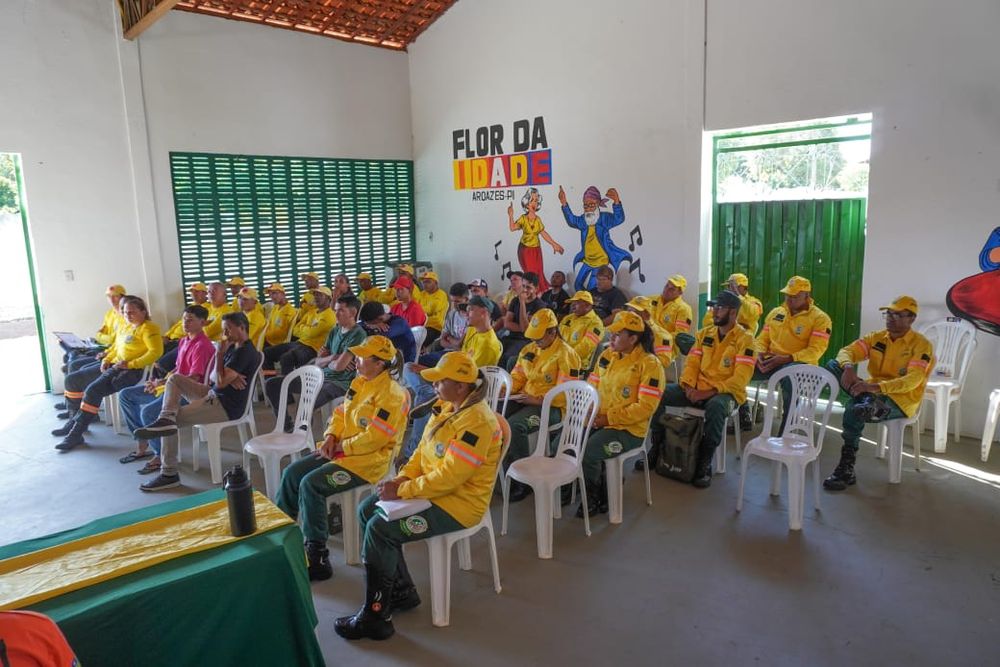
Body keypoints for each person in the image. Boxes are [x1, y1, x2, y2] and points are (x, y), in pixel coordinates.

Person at [334, 352, 501, 641]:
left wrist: (402, 490)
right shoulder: (447, 406)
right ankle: (400, 591)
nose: (434, 385)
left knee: (381, 528)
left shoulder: (477, 423)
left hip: (458, 505)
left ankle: (376, 616)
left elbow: (451, 477)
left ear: (461, 386)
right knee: (366, 510)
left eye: (440, 381)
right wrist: (402, 478)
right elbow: (421, 455)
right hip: (430, 492)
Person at [276, 336, 409, 581]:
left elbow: (376, 438)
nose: (355, 361)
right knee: (292, 474)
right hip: (341, 450)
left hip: (367, 462)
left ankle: (317, 556)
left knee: (311, 485)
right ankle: (280, 537)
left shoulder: (392, 394)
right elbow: (340, 412)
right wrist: (330, 436)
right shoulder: (360, 382)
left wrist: (341, 446)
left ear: (379, 364)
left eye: (361, 357)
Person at [136, 311, 261, 491]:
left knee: (173, 423)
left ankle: (169, 473)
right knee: (175, 379)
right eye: (223, 330)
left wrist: (219, 357)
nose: (224, 334)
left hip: (224, 406)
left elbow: (219, 380)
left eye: (228, 329)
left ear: (242, 328)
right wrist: (227, 375)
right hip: (212, 393)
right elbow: (213, 378)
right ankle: (166, 416)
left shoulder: (245, 352)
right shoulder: (233, 348)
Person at [823, 296, 935, 491]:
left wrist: (876, 388)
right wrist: (849, 367)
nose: (891, 318)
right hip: (871, 391)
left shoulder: (921, 345)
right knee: (833, 365)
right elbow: (846, 351)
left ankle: (846, 467)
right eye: (889, 314)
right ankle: (865, 400)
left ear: (912, 319)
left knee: (855, 409)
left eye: (898, 315)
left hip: (899, 399)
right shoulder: (877, 337)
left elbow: (913, 380)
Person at [650, 290, 755, 487]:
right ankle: (656, 447)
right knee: (659, 393)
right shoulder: (704, 333)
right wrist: (688, 385)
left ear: (733, 313)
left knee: (715, 408)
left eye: (720, 307)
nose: (714, 311)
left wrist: (710, 391)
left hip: (725, 393)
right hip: (697, 387)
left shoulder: (745, 340)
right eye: (714, 307)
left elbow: (740, 378)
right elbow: (691, 363)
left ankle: (704, 462)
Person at [53, 295, 164, 451]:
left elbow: (155, 352)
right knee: (74, 380)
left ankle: (75, 432)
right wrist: (107, 358)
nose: (128, 315)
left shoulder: (150, 328)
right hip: (113, 366)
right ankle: (75, 426)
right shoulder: (126, 326)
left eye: (132, 312)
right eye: (125, 312)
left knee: (92, 391)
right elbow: (117, 348)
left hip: (132, 372)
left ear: (143, 312)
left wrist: (131, 364)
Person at [580, 311, 664, 516]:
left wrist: (608, 418)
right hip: (599, 420)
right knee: (562, 443)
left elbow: (645, 408)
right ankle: (602, 482)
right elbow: (592, 386)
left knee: (588, 451)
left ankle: (596, 494)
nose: (611, 338)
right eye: (612, 333)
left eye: (618, 335)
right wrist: (588, 412)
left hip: (629, 430)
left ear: (633, 338)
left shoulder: (650, 364)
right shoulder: (608, 355)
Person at [401, 295, 501, 460]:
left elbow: (466, 377)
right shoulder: (471, 330)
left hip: (465, 389)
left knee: (423, 391)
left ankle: (411, 451)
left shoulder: (489, 344)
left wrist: (431, 371)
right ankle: (429, 392)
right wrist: (435, 370)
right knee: (407, 368)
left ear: (483, 313)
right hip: (452, 377)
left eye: (470, 310)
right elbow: (458, 358)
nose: (466, 315)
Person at [118, 304, 215, 474]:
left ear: (203, 323)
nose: (185, 323)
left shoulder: (202, 345)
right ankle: (142, 441)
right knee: (126, 395)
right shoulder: (184, 341)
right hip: (170, 386)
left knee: (148, 413)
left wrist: (164, 384)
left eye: (190, 320)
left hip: (186, 392)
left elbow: (193, 378)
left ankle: (159, 456)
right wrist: (159, 382)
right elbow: (178, 370)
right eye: (184, 319)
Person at [505, 308, 581, 502]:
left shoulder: (566, 354)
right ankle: (506, 470)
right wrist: (506, 391)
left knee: (515, 426)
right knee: (496, 417)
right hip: (526, 398)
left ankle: (524, 482)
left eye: (539, 337)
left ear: (552, 332)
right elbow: (518, 375)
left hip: (552, 407)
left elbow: (565, 393)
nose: (535, 341)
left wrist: (538, 400)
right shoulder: (529, 349)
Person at [265, 294, 366, 431]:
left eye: (340, 310)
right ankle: (286, 426)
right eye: (335, 310)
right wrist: (331, 358)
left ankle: (302, 438)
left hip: (339, 383)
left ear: (353, 312)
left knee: (306, 401)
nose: (336, 314)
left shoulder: (358, 334)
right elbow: (318, 362)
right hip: (320, 375)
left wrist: (331, 361)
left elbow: (339, 367)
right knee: (272, 384)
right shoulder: (335, 331)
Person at [752, 275, 833, 432]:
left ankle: (786, 429)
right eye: (787, 295)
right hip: (771, 361)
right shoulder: (776, 312)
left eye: (794, 296)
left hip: (798, 364)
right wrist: (758, 354)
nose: (789, 299)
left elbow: (815, 351)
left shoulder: (820, 319)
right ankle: (742, 414)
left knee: (790, 376)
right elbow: (761, 339)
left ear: (807, 296)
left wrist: (788, 358)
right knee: (741, 367)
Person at [558, 185, 631, 291]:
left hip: (600, 262)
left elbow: (619, 218)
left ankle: (590, 304)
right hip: (587, 261)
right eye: (585, 206)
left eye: (591, 205)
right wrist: (564, 203)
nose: (588, 208)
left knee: (592, 288)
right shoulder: (583, 220)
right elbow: (572, 221)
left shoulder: (604, 218)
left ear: (598, 204)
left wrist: (616, 201)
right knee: (577, 285)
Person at [264, 286, 336, 375]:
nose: (316, 297)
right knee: (267, 352)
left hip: (313, 349)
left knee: (286, 358)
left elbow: (311, 333)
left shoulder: (329, 316)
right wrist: (307, 329)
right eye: (315, 295)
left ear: (329, 298)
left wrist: (304, 328)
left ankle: (290, 386)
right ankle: (270, 380)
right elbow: (295, 329)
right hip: (300, 343)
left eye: (320, 295)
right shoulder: (312, 312)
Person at [507, 187, 564, 291]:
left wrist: (554, 244)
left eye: (536, 200)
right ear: (527, 202)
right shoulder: (523, 219)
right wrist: (511, 215)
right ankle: (530, 291)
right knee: (530, 273)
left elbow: (543, 233)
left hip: (536, 249)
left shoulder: (538, 220)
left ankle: (540, 292)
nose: (534, 203)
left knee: (539, 272)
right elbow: (512, 228)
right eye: (532, 200)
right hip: (525, 249)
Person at [499, 271, 545, 368]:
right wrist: (523, 327)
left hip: (526, 341)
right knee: (494, 351)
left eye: (528, 287)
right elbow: (507, 323)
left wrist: (522, 303)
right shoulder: (515, 300)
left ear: (536, 289)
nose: (524, 290)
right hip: (510, 337)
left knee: (507, 357)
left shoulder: (539, 306)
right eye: (523, 286)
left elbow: (526, 331)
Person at [559, 290, 605, 369]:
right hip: (557, 358)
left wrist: (564, 357)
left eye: (576, 303)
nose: (572, 306)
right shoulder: (568, 318)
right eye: (572, 303)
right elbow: (555, 337)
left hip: (576, 364)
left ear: (587, 305)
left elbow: (586, 347)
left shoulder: (595, 323)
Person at [625, 296, 675, 370]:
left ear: (647, 315)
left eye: (635, 313)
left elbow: (663, 362)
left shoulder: (661, 336)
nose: (630, 316)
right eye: (629, 311)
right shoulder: (625, 330)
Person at [650, 274, 694, 354]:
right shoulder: (652, 300)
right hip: (646, 345)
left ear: (680, 292)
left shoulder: (684, 309)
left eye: (672, 289)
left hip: (665, 349)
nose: (666, 290)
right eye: (667, 286)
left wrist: (656, 335)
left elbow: (679, 336)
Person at [162, 282, 208, 353]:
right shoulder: (190, 307)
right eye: (192, 292)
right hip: (172, 339)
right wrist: (166, 335)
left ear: (205, 293)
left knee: (159, 361)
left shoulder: (207, 308)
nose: (194, 294)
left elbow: (200, 328)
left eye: (197, 291)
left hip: (182, 340)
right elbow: (179, 323)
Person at [431, 282, 470, 353]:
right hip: (450, 350)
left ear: (466, 299)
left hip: (463, 354)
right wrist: (455, 345)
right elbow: (442, 341)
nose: (454, 305)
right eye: (452, 301)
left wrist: (450, 338)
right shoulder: (452, 314)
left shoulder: (471, 317)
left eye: (457, 301)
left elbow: (462, 344)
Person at [415, 271, 448, 346]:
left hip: (435, 327)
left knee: (418, 341)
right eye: (424, 282)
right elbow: (415, 308)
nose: (425, 284)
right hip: (420, 325)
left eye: (428, 282)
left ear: (436, 283)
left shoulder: (441, 295)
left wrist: (419, 311)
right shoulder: (422, 294)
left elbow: (431, 310)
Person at [264, 283, 297, 347]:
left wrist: (263, 335)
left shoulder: (289, 312)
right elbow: (269, 323)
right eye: (270, 294)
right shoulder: (275, 307)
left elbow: (281, 333)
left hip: (276, 344)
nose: (272, 297)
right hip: (268, 340)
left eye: (274, 293)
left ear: (283, 294)